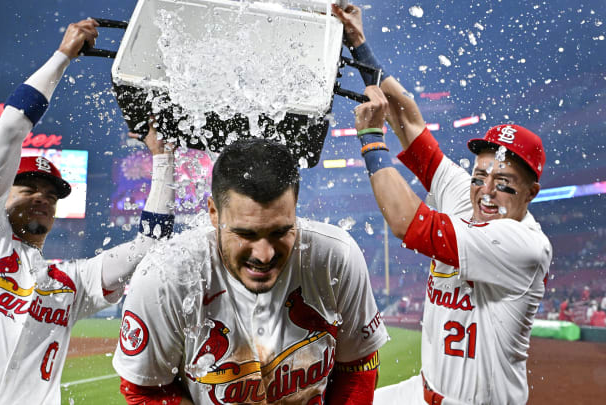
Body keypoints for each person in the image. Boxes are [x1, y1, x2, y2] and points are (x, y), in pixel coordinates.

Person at [0, 20, 176, 405]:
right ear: (2, 195)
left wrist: (162, 159)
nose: (41, 197)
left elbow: (150, 248)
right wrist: (62, 57)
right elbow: (10, 129)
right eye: (28, 188)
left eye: (50, 195)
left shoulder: (71, 283)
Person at [333, 4, 552, 405]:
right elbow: (410, 122)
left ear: (530, 193)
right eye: (480, 176)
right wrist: (359, 44)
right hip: (424, 391)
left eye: (504, 184)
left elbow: (410, 225)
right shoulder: (467, 196)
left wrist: (371, 139)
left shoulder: (523, 244)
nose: (486, 191)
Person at [112, 139, 388, 404]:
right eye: (245, 233)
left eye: (281, 231)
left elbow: (358, 365)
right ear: (213, 213)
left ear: (295, 210)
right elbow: (144, 390)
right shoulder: (164, 276)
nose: (264, 254)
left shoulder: (335, 256)